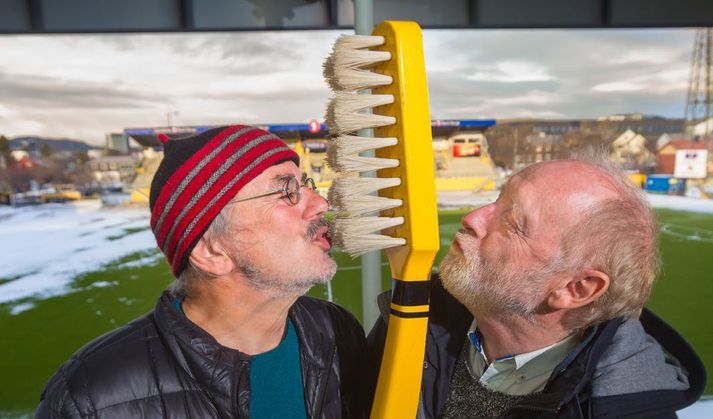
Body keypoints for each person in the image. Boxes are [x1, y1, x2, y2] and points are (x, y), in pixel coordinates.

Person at [37, 125, 368, 418]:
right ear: (211, 251)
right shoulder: (90, 399)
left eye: (305, 184)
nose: (320, 203)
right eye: (286, 191)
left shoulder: (338, 332)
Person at [369, 157, 706, 419]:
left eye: (513, 223)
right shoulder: (407, 323)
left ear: (576, 288)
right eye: (497, 200)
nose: (473, 218)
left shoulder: (623, 408)